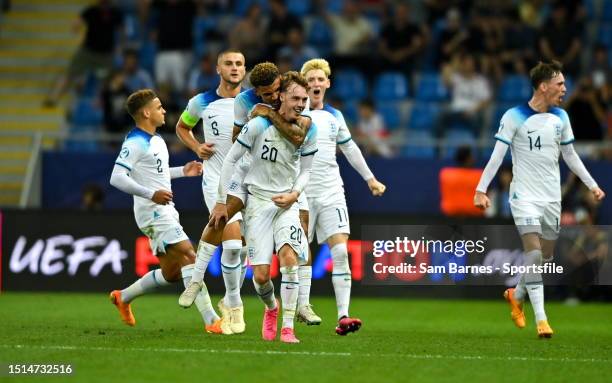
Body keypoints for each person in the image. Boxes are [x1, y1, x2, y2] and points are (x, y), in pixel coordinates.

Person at [473, 61, 606, 338]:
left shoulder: (561, 118)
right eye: (560, 84)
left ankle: (516, 294)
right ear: (543, 86)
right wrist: (481, 189)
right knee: (533, 252)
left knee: (543, 258)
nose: (564, 89)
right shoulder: (514, 116)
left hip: (551, 198)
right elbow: (497, 156)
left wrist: (592, 185)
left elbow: (570, 156)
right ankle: (542, 320)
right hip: (524, 196)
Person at [177, 63, 313, 319]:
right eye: (266, 94)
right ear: (256, 90)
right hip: (249, 169)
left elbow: (298, 135)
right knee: (220, 216)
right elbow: (238, 138)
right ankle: (195, 281)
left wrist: (269, 114)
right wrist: (255, 116)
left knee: (302, 230)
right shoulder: (243, 101)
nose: (272, 97)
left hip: (283, 174)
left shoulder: (292, 95)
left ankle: (303, 303)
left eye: (275, 92)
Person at [108, 89, 222, 334]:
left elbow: (154, 174)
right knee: (191, 255)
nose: (164, 111)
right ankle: (212, 320)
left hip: (165, 208)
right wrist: (151, 195)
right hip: (152, 211)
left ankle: (123, 297)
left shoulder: (157, 140)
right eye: (159, 107)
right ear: (146, 112)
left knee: (172, 273)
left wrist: (183, 171)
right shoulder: (135, 142)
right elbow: (116, 177)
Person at [215, 72, 317, 343]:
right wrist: (222, 200)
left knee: (289, 260)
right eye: (295, 97)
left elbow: (307, 171)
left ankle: (287, 328)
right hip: (259, 202)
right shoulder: (259, 124)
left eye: (304, 99)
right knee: (261, 277)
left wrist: (295, 194)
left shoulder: (309, 127)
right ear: (281, 96)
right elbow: (231, 159)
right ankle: (272, 307)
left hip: (287, 202)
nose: (301, 103)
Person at [300, 59, 386, 335]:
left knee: (339, 251)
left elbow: (351, 150)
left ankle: (343, 316)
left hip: (331, 191)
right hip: (300, 193)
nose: (315, 84)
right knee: (302, 252)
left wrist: (370, 179)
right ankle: (302, 306)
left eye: (319, 79)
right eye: (310, 80)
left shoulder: (335, 116)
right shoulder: (292, 114)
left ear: (327, 83)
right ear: (304, 85)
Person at [176, 50, 247, 335]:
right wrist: (196, 147)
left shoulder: (254, 101)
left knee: (241, 251)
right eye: (229, 63)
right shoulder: (201, 101)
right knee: (230, 246)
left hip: (250, 182)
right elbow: (182, 127)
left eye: (239, 64)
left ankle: (229, 300)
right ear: (218, 68)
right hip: (217, 179)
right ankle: (235, 304)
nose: (234, 68)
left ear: (245, 69)